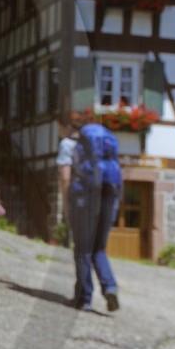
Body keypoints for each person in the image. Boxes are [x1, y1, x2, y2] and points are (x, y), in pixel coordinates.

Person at [68, 121, 122, 311]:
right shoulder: (109, 153)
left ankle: (84, 298)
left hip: (87, 198)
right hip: (109, 195)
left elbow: (68, 177)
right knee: (99, 248)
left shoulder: (76, 147)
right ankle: (110, 287)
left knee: (83, 249)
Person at [55, 116, 79, 230]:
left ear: (67, 128)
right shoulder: (88, 144)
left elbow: (65, 178)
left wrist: (65, 202)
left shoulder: (66, 144)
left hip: (76, 192)